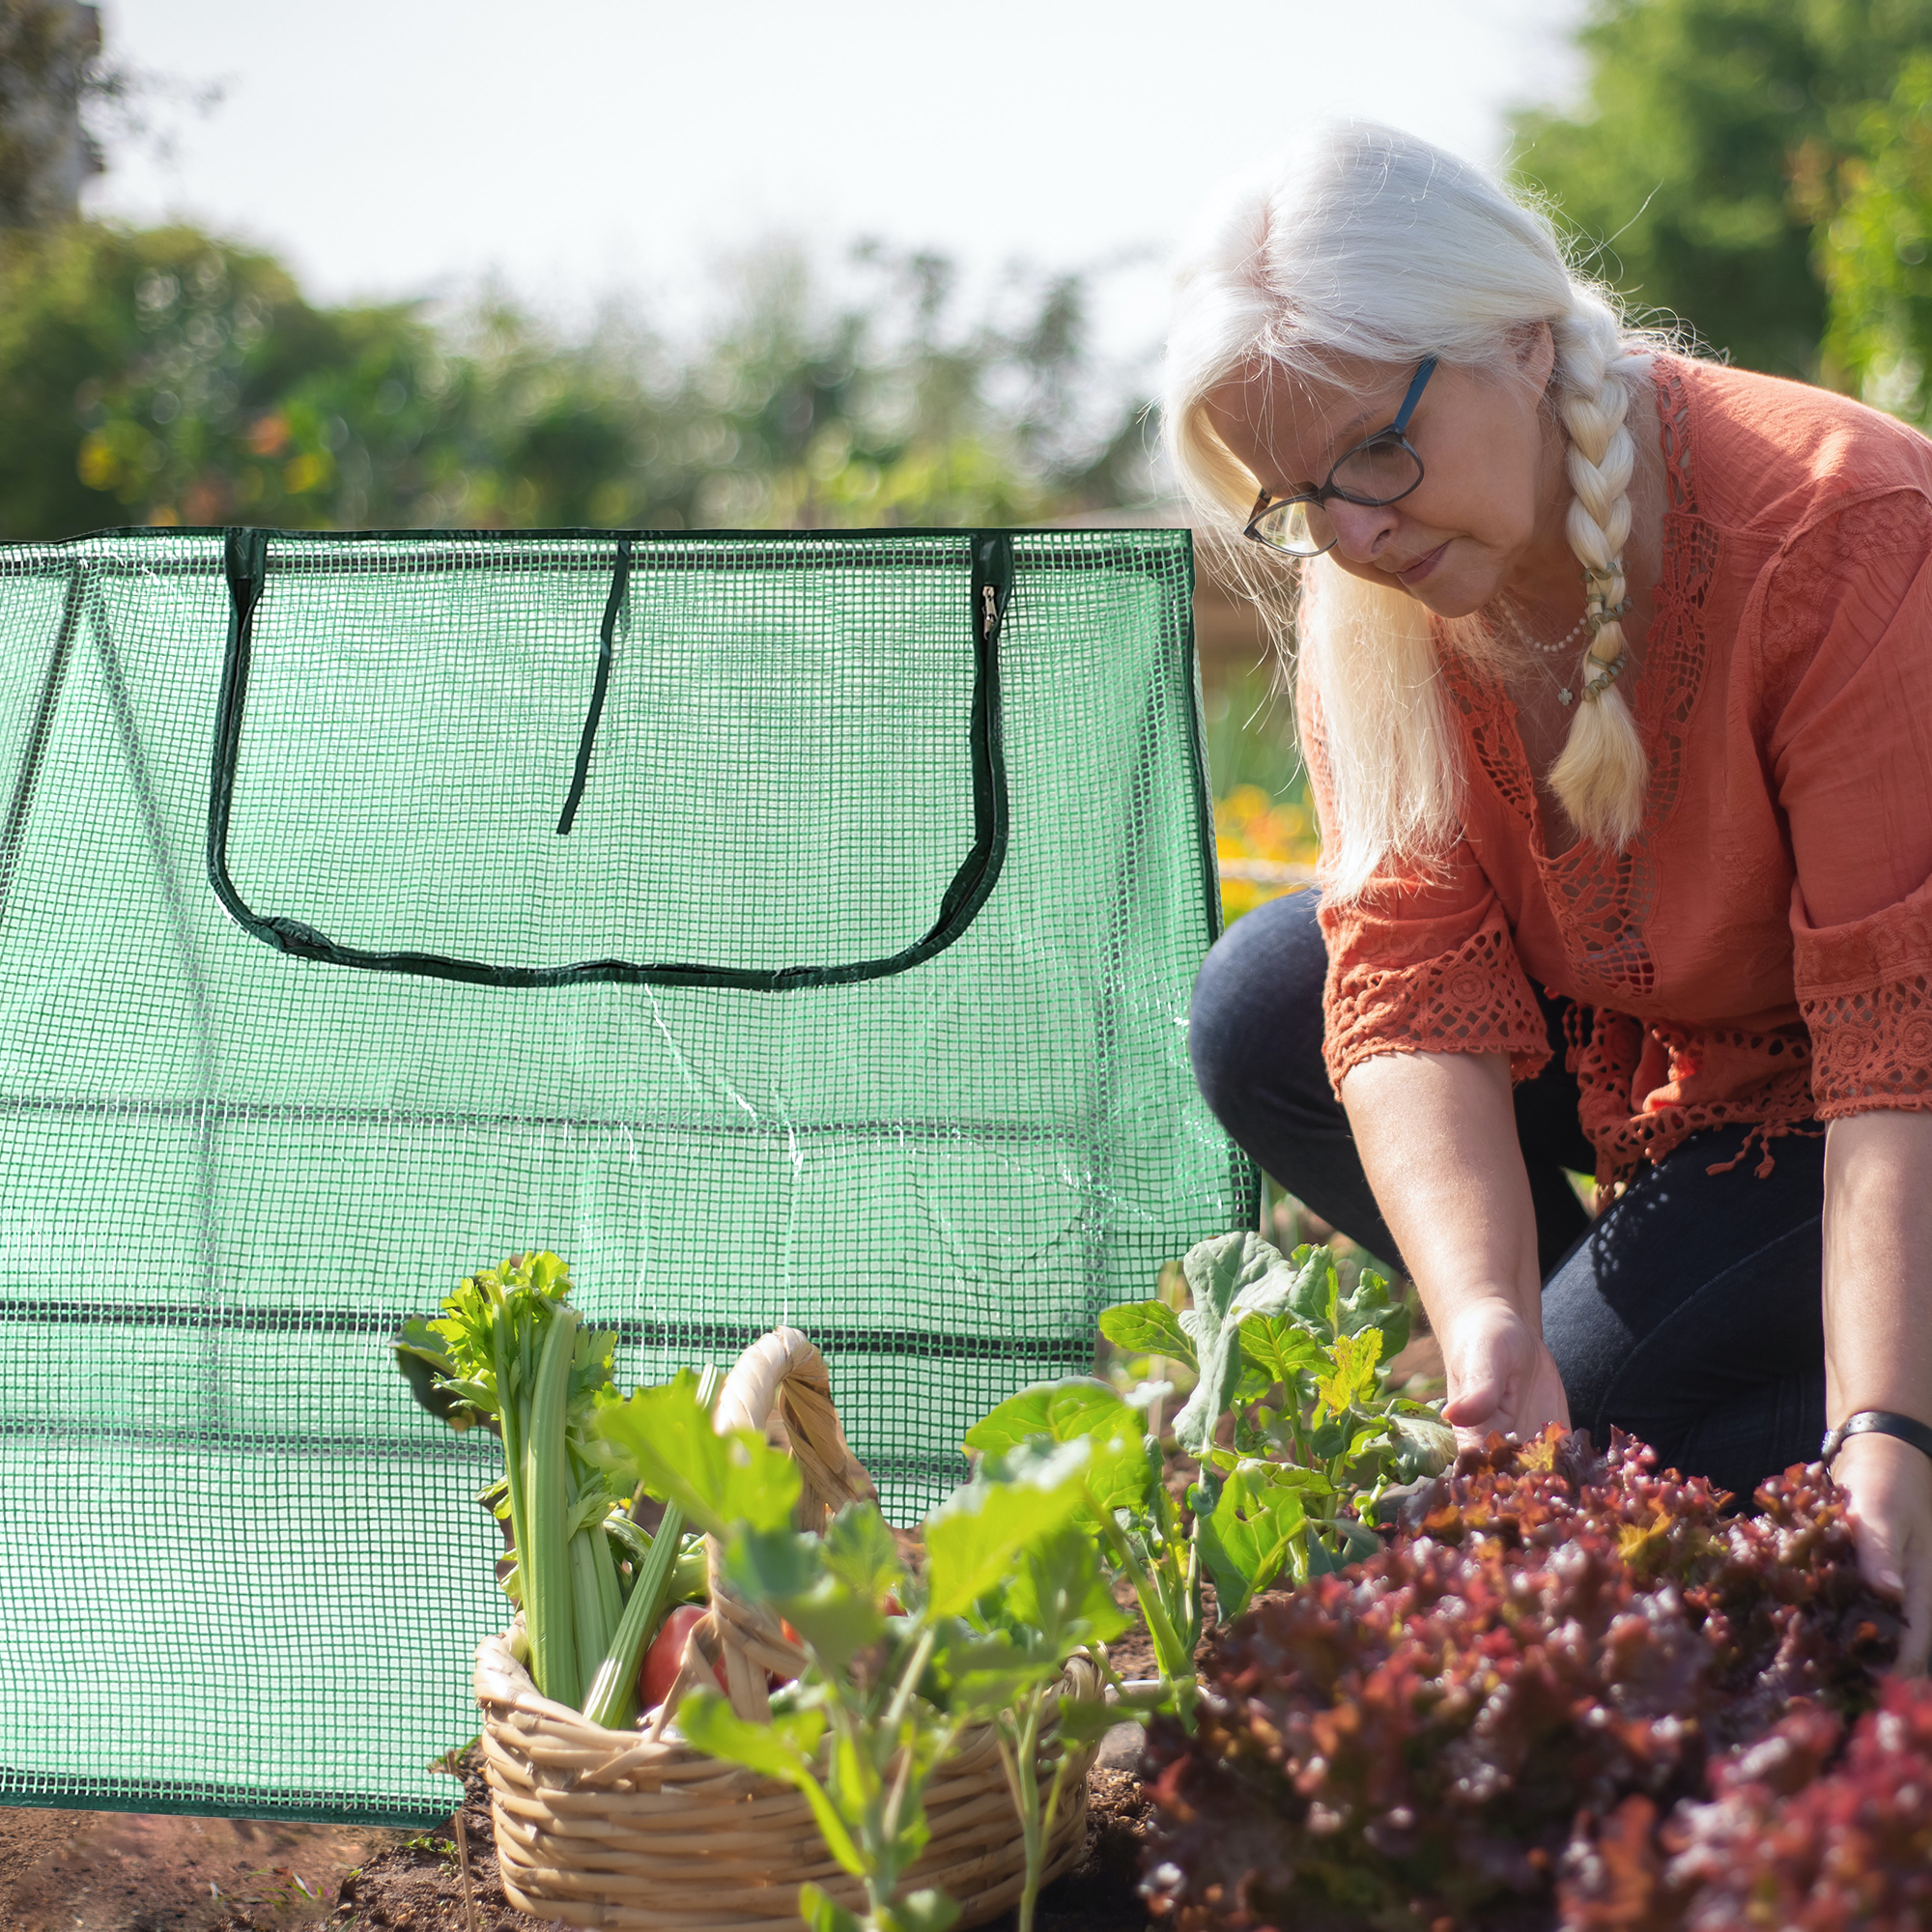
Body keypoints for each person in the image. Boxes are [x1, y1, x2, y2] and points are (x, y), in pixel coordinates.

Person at [1165, 124, 1932, 1671]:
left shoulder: (1842, 531)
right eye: (1298, 497)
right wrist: (1487, 1319)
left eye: (1376, 457)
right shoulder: (1374, 587)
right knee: (1264, 1004)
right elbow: (1405, 970)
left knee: (1623, 1436)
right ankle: (1683, 1371)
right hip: (1677, 1081)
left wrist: (1889, 1435)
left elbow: (1892, 1049)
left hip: (1884, 1100)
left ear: (1518, 341)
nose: (1355, 537)